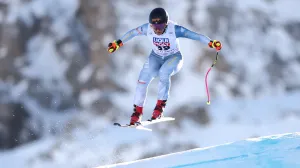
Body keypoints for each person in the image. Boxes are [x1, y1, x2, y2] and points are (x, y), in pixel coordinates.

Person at [107, 7, 222, 125]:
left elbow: (195, 35)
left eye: (160, 27)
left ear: (166, 24)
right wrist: (118, 43)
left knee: (164, 72)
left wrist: (211, 42)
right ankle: (137, 113)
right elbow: (133, 33)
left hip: (173, 58)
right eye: (154, 26)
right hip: (156, 57)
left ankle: (159, 109)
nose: (156, 30)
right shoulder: (147, 28)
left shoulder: (174, 30)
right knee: (142, 80)